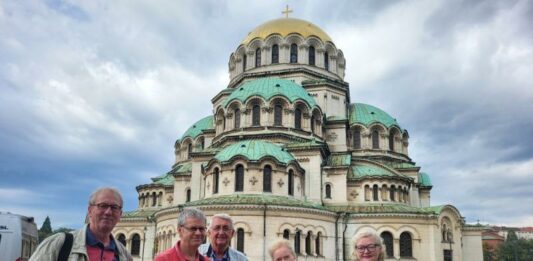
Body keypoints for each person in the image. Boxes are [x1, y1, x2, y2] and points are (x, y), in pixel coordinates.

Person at [30, 187, 132, 260]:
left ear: (120, 215)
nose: (108, 212)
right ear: (90, 210)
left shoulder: (124, 255)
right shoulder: (58, 244)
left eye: (114, 207)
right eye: (103, 205)